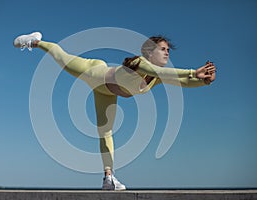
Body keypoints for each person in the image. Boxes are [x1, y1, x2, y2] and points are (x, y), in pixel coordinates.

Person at [13, 31, 216, 190]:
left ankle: (108, 178)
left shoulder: (157, 78)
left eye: (168, 50)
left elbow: (180, 82)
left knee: (105, 132)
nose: (167, 53)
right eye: (162, 49)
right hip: (93, 72)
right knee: (61, 56)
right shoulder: (140, 63)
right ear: (149, 52)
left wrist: (204, 82)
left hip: (106, 93)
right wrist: (192, 72)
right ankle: (35, 42)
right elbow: (165, 72)